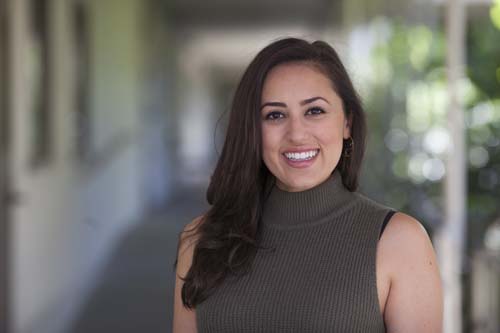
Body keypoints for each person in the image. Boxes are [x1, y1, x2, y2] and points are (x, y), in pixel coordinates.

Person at [173, 37, 443, 332]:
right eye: (275, 115)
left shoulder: (399, 242)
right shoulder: (200, 240)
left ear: (347, 123)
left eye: (314, 111)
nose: (297, 134)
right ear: (252, 130)